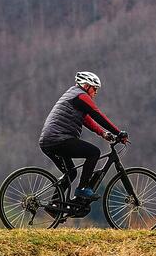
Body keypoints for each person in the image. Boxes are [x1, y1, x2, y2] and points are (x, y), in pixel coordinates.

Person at [39, 71, 128, 201]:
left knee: (71, 173)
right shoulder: (81, 96)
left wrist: (103, 133)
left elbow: (86, 119)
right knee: (93, 153)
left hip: (48, 141)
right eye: (95, 88)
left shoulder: (73, 95)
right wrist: (118, 132)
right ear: (86, 86)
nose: (96, 92)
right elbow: (97, 115)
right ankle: (82, 189)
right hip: (59, 139)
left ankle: (54, 205)